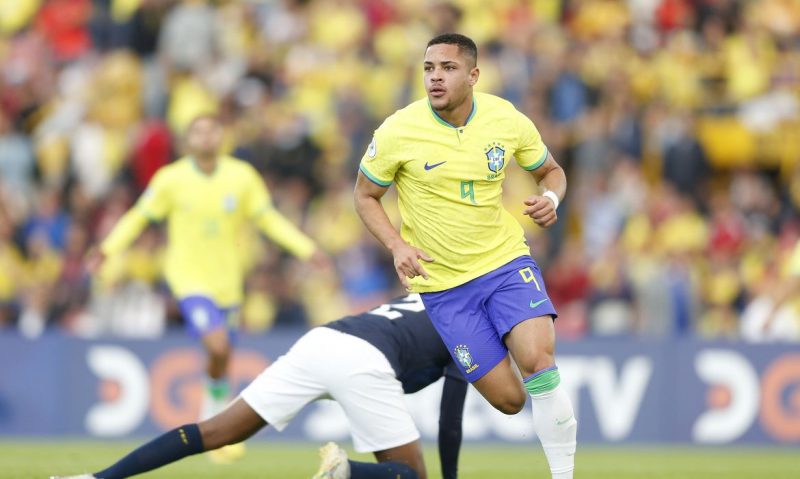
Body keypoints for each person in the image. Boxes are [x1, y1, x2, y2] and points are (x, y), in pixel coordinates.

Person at [353, 33, 577, 478]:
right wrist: (397, 245)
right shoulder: (398, 130)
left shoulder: (505, 119)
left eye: (448, 68)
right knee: (511, 401)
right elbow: (364, 196)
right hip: (445, 289)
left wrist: (551, 197)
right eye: (429, 68)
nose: (435, 77)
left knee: (538, 361)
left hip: (504, 263)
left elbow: (550, 170)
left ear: (473, 75)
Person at [87, 114, 327, 461]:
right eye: (198, 131)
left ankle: (214, 418)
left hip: (228, 284)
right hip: (188, 280)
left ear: (222, 136)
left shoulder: (241, 177)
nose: (205, 136)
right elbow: (140, 215)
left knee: (222, 354)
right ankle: (212, 414)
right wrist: (107, 248)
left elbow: (267, 219)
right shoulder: (171, 179)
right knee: (217, 346)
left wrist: (306, 248)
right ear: (188, 140)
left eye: (212, 130)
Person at [51, 294, 468, 479]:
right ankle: (343, 470)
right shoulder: (470, 324)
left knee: (216, 430)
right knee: (409, 476)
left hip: (323, 340)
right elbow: (450, 420)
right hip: (365, 361)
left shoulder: (432, 294)